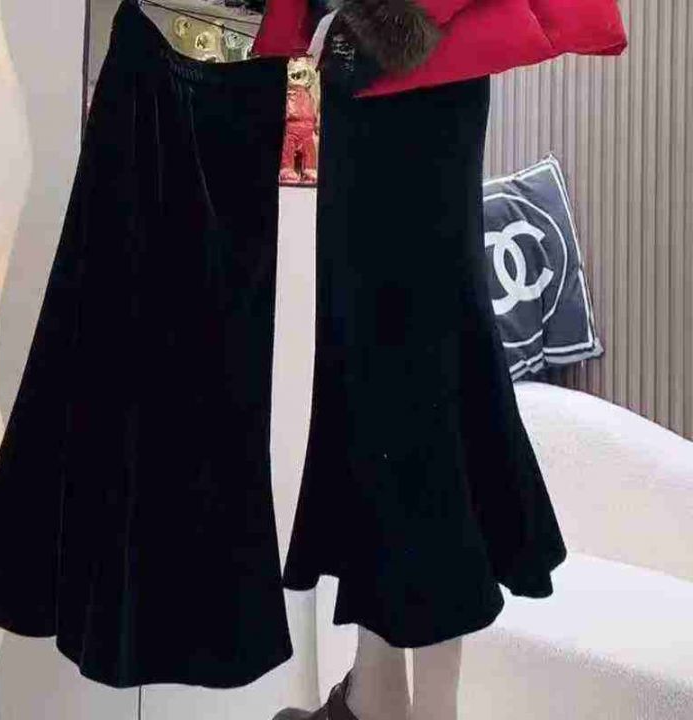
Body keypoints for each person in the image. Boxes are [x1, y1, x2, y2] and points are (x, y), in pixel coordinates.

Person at [253, 1, 628, 719]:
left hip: (410, 58)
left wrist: (373, 25)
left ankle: (424, 710)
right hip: (376, 71)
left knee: (412, 368)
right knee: (381, 364)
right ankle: (376, 696)